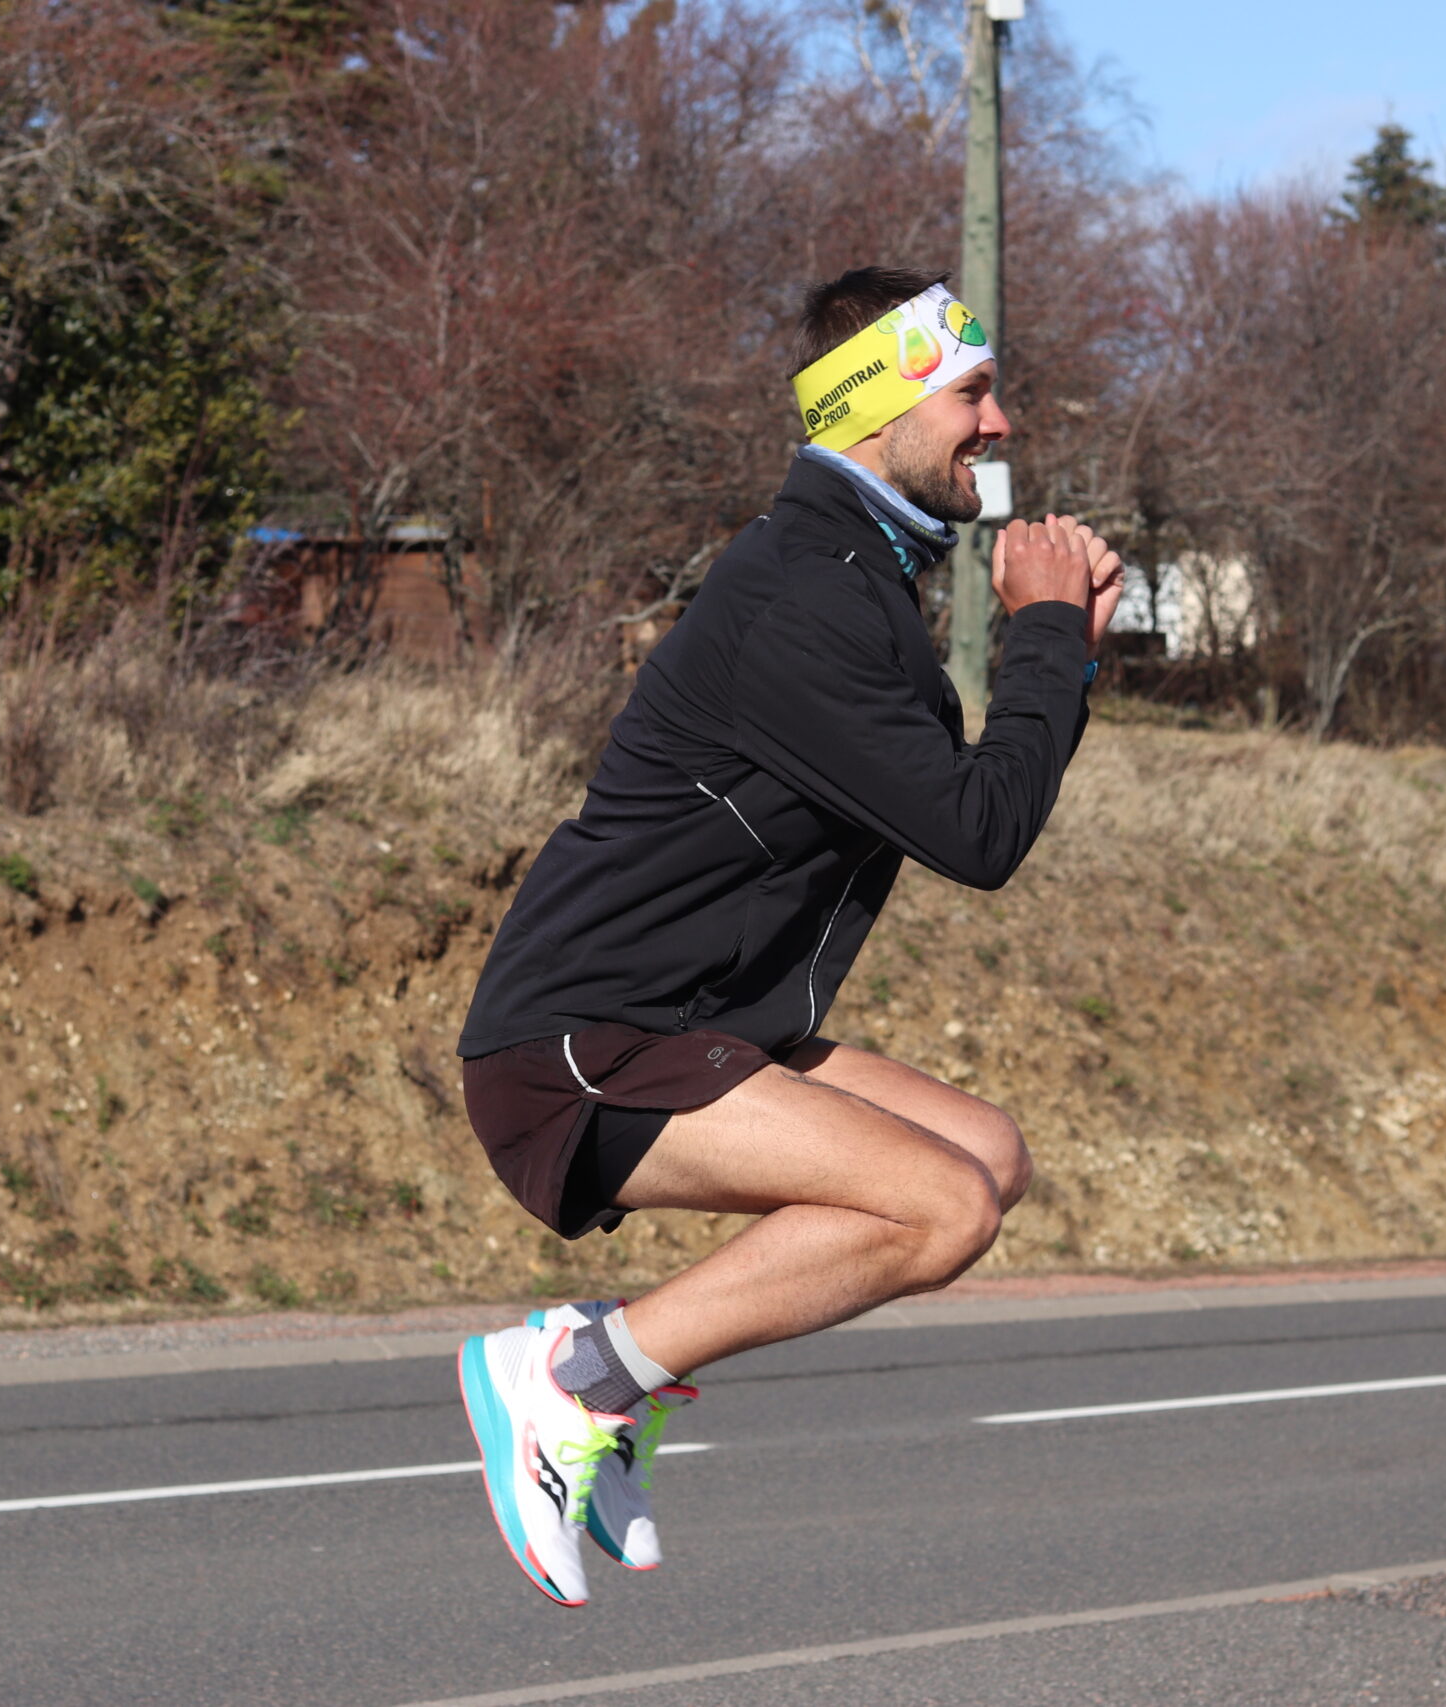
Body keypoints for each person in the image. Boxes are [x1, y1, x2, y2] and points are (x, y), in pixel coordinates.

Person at [454, 266, 1124, 1606]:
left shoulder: (857, 577)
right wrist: (1048, 634)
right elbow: (979, 836)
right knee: (938, 1211)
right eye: (974, 396)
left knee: (988, 1156)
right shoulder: (803, 600)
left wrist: (1064, 654)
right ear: (878, 404)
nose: (1001, 427)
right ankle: (574, 1377)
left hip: (698, 1026)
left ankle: (614, 1367)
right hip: (584, 1041)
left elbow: (972, 807)